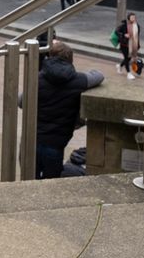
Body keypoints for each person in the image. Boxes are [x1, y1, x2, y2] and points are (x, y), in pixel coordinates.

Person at [30, 41, 103, 179]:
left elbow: (22, 101)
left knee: (28, 182)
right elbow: (98, 75)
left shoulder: (38, 78)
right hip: (55, 144)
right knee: (51, 186)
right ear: (70, 59)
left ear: (50, 56)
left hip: (32, 140)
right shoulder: (78, 80)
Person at [116, 12, 142, 79]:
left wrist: (137, 45)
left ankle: (120, 66)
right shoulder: (124, 25)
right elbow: (117, 31)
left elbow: (137, 36)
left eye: (134, 17)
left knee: (128, 58)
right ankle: (128, 73)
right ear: (128, 18)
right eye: (132, 17)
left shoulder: (137, 26)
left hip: (133, 45)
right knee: (127, 58)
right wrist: (124, 35)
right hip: (124, 45)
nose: (133, 18)